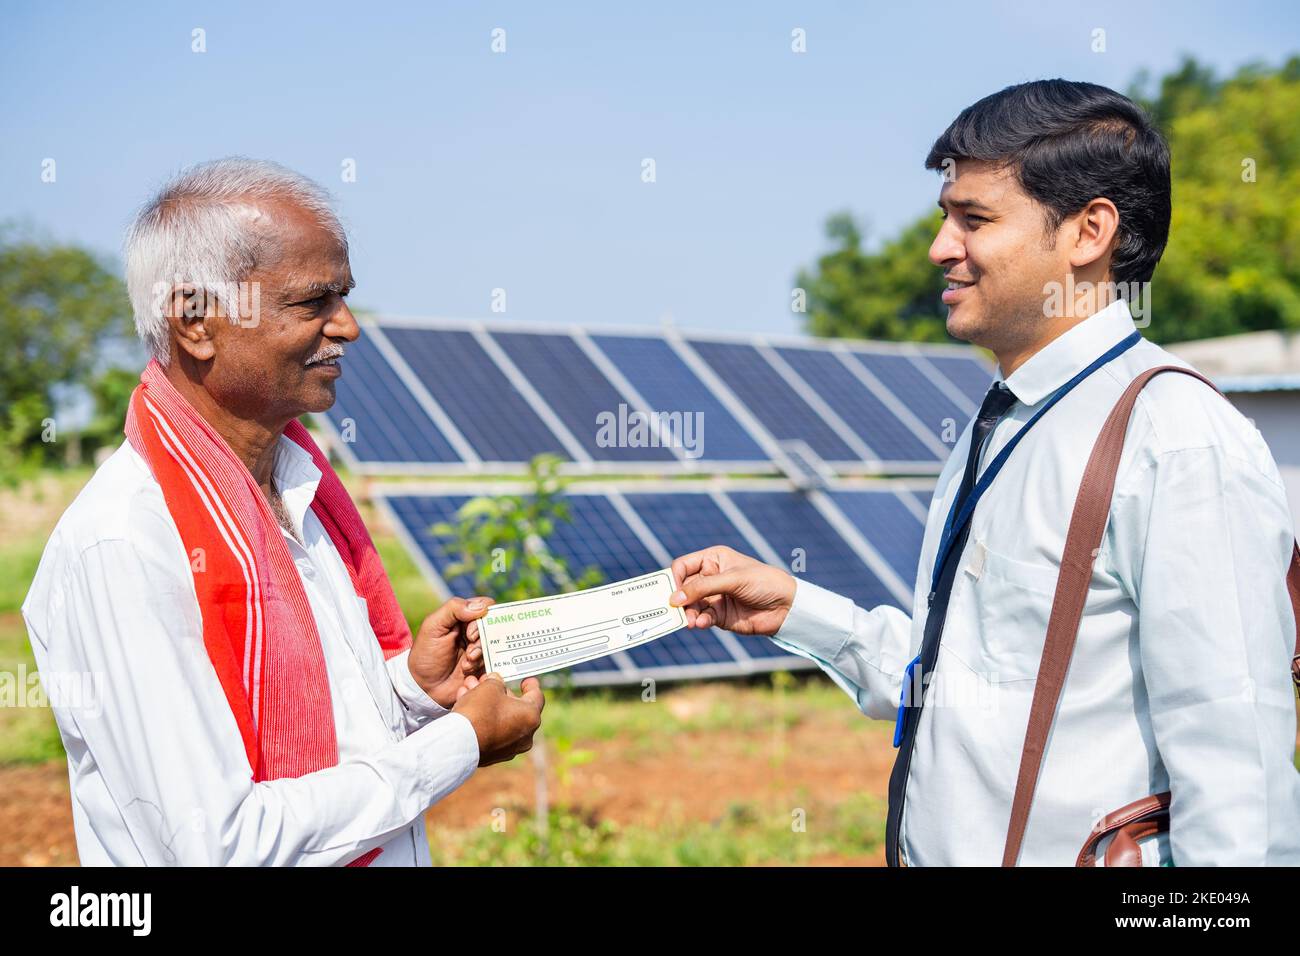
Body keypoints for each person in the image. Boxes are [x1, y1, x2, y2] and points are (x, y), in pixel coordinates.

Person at [670, 80, 1300, 866]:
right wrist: (798, 611)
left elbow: (1240, 777)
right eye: (945, 216)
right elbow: (972, 678)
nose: (940, 246)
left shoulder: (1176, 439)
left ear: (1087, 232)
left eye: (975, 219)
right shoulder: (1003, 417)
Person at [22, 158, 543, 866]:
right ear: (197, 323)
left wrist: (414, 694)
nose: (349, 327)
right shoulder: (126, 543)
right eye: (313, 303)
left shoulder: (304, 495)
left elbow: (320, 740)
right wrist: (458, 743)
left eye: (345, 296)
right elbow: (218, 845)